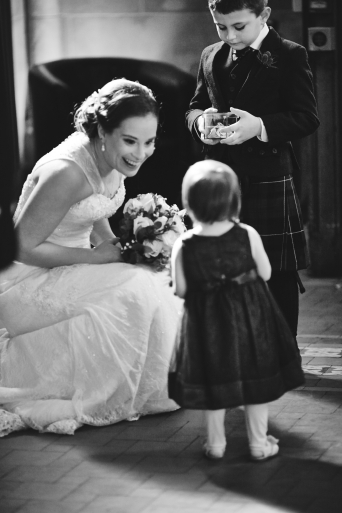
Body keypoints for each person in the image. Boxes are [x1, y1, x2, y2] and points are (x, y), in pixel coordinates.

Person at [0, 78, 182, 437]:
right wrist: (98, 259)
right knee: (134, 289)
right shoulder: (67, 172)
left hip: (74, 262)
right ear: (102, 131)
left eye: (150, 142)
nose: (140, 153)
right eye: (130, 141)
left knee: (155, 278)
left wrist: (127, 251)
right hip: (24, 281)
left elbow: (92, 215)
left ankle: (147, 388)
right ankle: (107, 392)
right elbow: (19, 246)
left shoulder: (105, 156)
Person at [186, 0, 320, 342]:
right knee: (221, 263)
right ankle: (235, 346)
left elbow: (306, 117)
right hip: (217, 178)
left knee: (277, 270)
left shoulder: (290, 54)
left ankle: (283, 350)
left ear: (264, 15)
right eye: (221, 27)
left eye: (239, 27)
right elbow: (194, 105)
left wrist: (259, 126)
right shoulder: (209, 55)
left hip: (268, 176)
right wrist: (199, 122)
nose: (229, 36)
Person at [168, 160, 304, 461]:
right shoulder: (247, 234)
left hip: (206, 324)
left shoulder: (184, 244)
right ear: (235, 200)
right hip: (249, 320)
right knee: (255, 379)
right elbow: (267, 273)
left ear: (188, 203)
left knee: (213, 381)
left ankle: (216, 444)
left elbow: (181, 290)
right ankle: (258, 443)